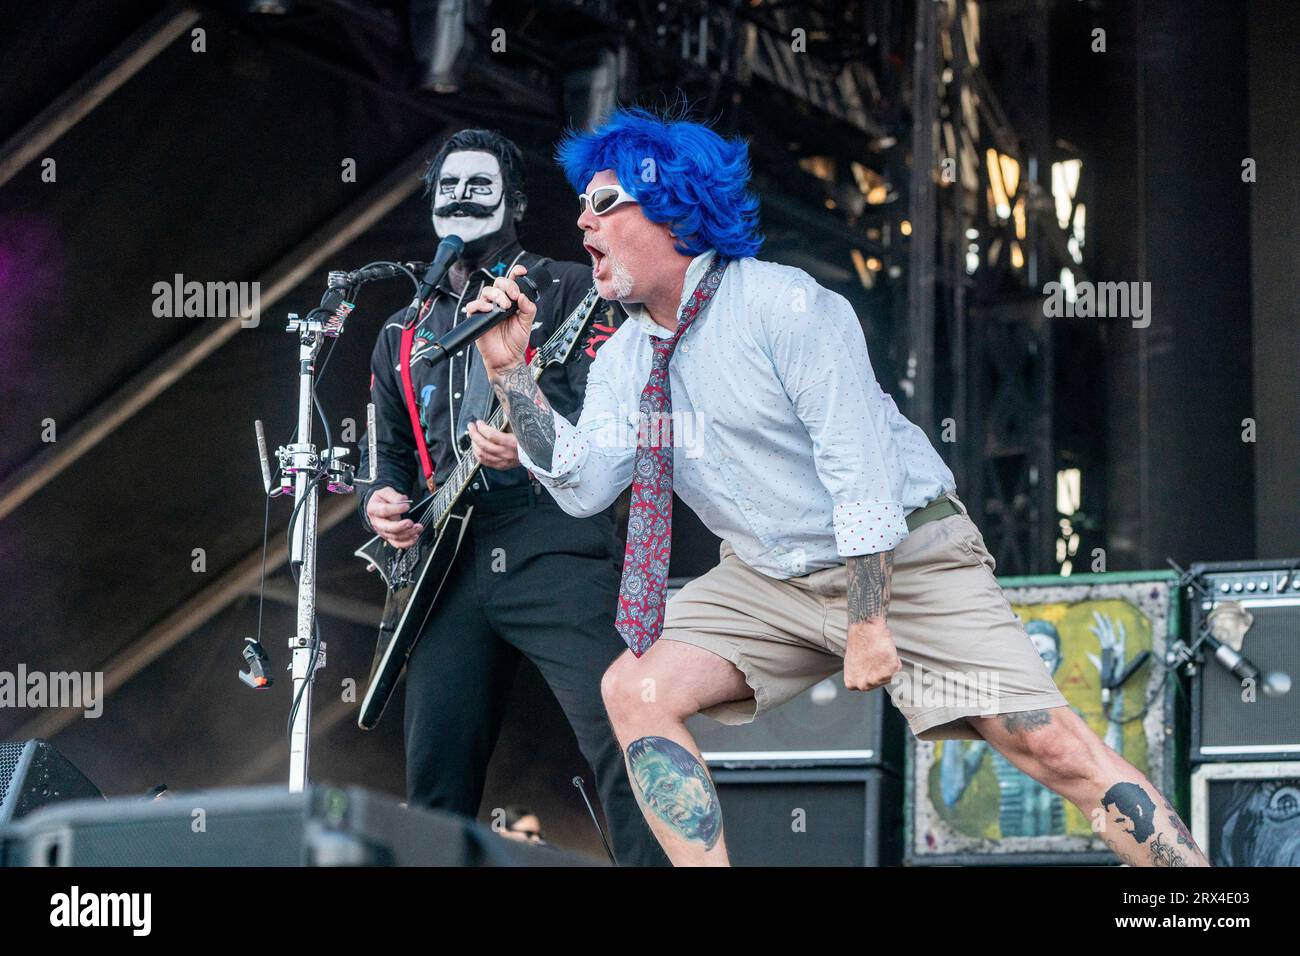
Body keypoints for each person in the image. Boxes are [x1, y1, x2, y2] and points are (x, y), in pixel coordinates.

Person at [465, 106, 1209, 868]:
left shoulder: (783, 305)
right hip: (767, 574)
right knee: (633, 690)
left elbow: (859, 467)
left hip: (906, 556)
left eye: (603, 201)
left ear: (674, 208)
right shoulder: (627, 357)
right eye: (580, 204)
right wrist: (510, 372)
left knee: (1057, 752)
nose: (581, 221)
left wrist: (868, 619)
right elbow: (585, 484)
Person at [358, 128, 666, 866]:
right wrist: (384, 502)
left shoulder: (565, 285)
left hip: (550, 532)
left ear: (516, 201)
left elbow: (605, 406)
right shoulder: (399, 331)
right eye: (448, 186)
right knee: (435, 783)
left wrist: (532, 441)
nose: (461, 197)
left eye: (479, 183)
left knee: (626, 731)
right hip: (443, 564)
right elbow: (389, 454)